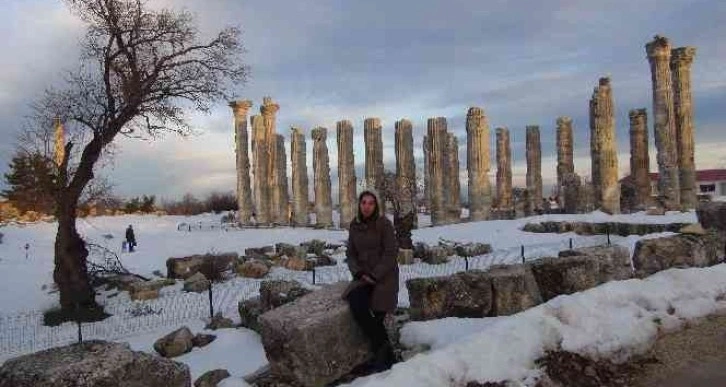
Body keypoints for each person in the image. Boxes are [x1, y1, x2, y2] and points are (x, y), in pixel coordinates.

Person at [343, 189, 399, 372]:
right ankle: (386, 355)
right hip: (363, 277)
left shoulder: (384, 224)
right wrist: (358, 273)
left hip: (384, 277)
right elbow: (350, 253)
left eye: (371, 203)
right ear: (359, 205)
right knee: (356, 303)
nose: (367, 206)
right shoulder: (354, 225)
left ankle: (382, 357)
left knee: (377, 313)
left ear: (376, 206)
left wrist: (375, 275)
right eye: (363, 202)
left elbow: (391, 253)